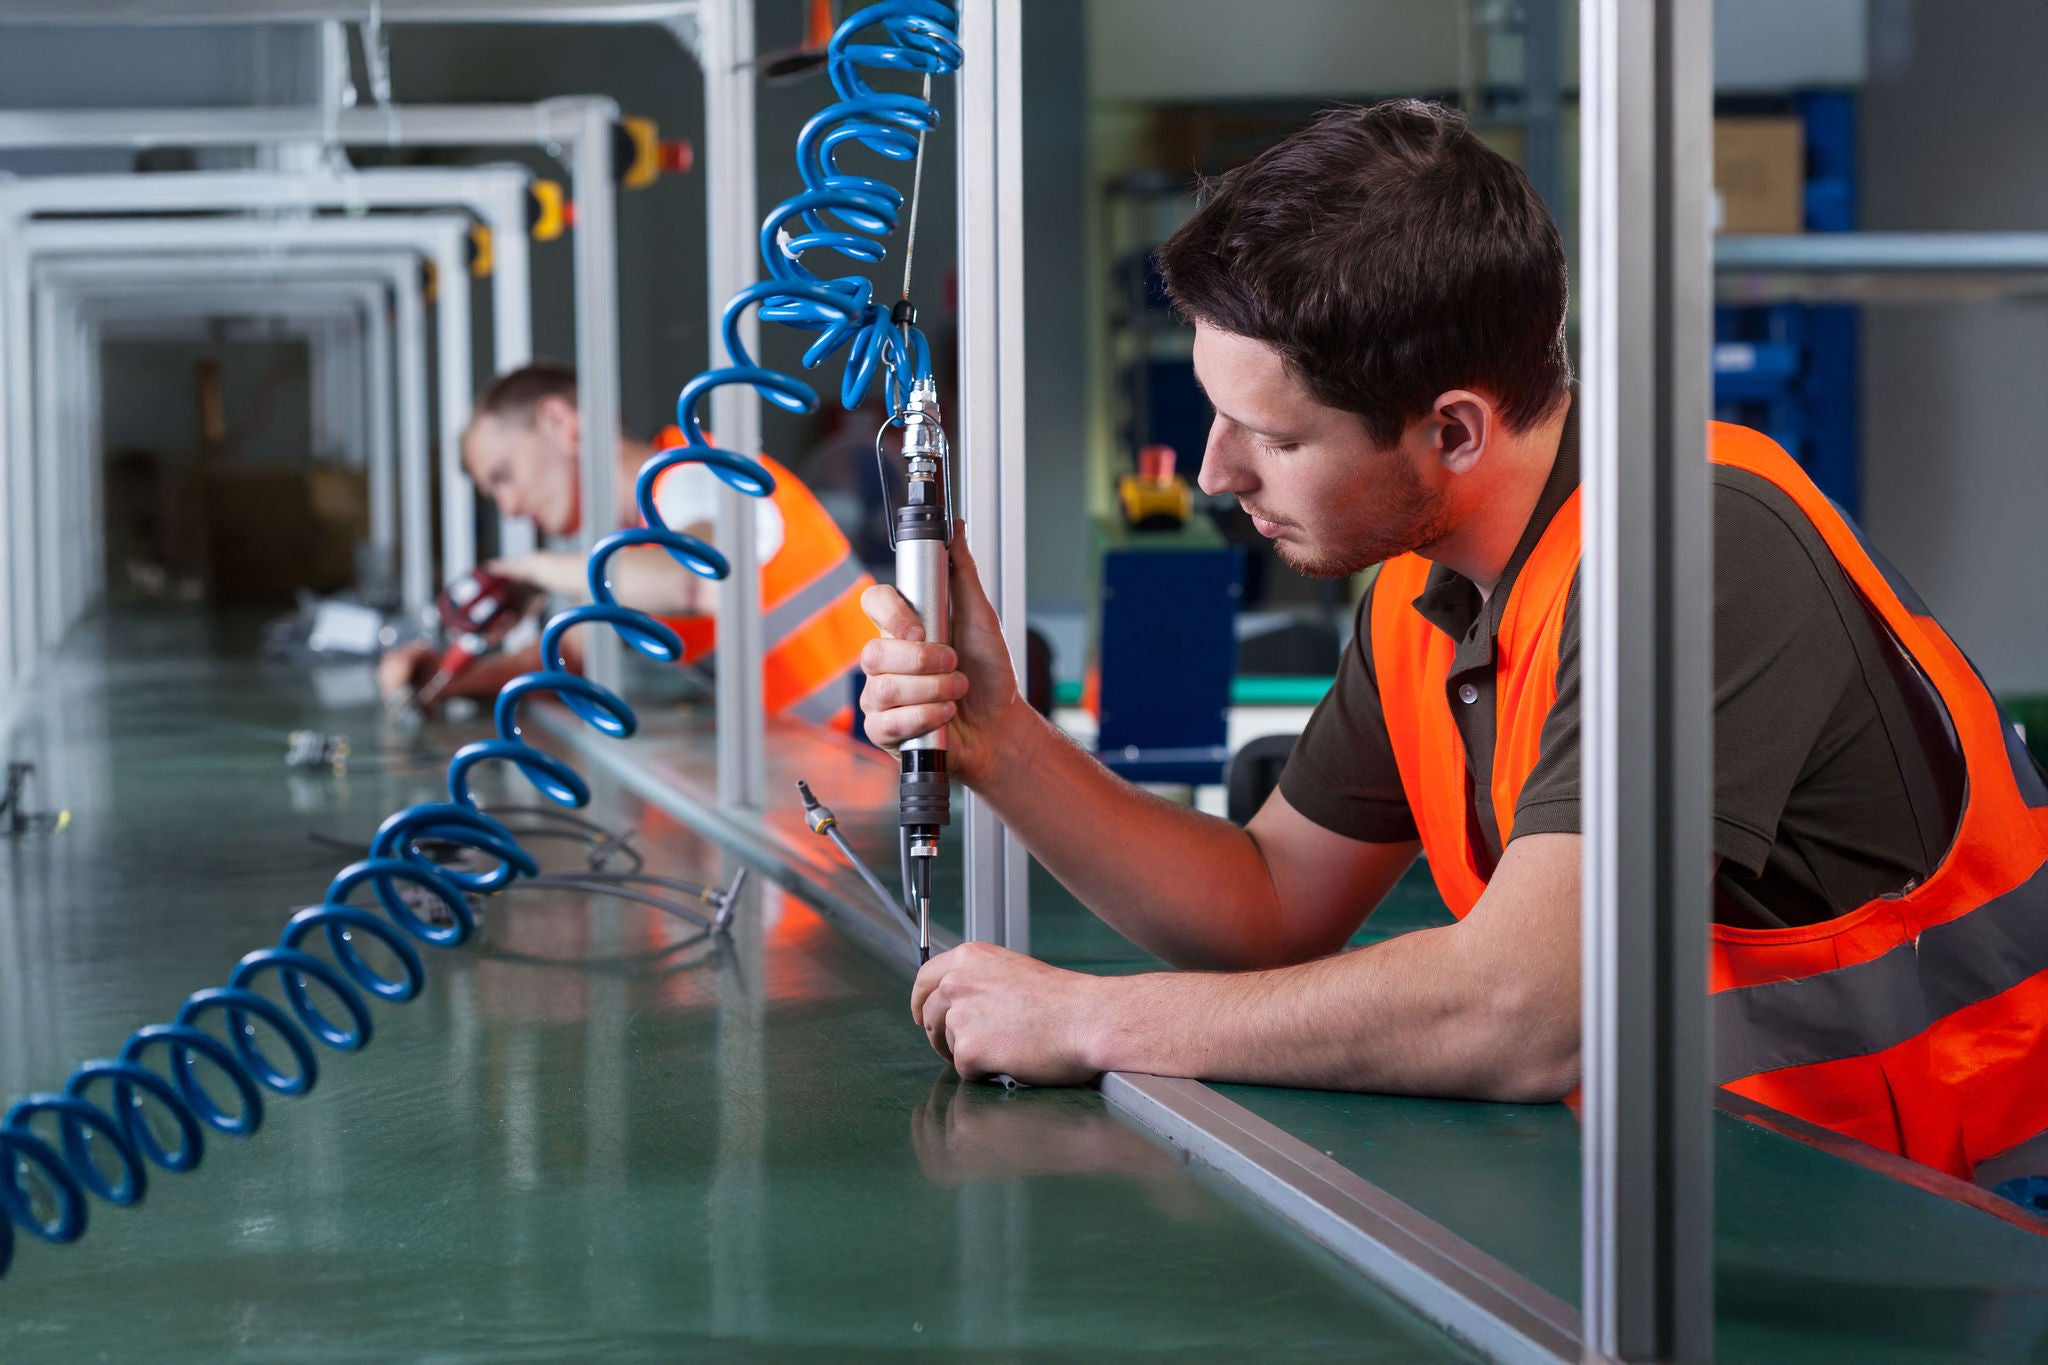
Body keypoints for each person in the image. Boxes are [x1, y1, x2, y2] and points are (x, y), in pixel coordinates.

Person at [858, 101, 2048, 1186]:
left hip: (1965, 1241)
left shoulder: (1693, 543)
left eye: (1266, 435)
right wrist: (1001, 743)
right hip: (1719, 1209)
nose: (1216, 472)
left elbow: (1528, 1011)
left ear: (1453, 431)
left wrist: (1089, 1021)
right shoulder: (1423, 595)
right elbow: (1270, 903)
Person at [378, 362, 878, 731]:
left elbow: (694, 580)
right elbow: (570, 657)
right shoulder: (632, 544)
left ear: (561, 423)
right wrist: (447, 681)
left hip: (876, 734)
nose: (508, 507)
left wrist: (528, 568)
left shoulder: (691, 471)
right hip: (832, 751)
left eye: (504, 477)